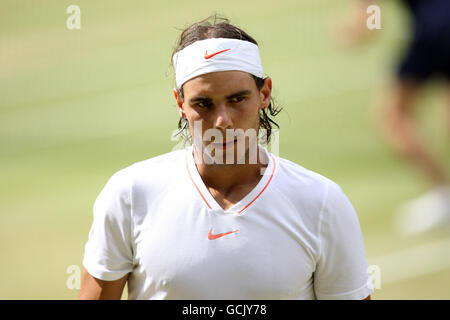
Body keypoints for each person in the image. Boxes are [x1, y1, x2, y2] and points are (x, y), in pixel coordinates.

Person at [78, 15, 373, 300]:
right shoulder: (129, 193)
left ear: (264, 94)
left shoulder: (322, 203)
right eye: (203, 104)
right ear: (180, 104)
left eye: (237, 99)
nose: (222, 121)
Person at [338, 0, 450, 236]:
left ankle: (443, 194)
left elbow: (371, 19)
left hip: (437, 31)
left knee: (393, 116)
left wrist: (354, 31)